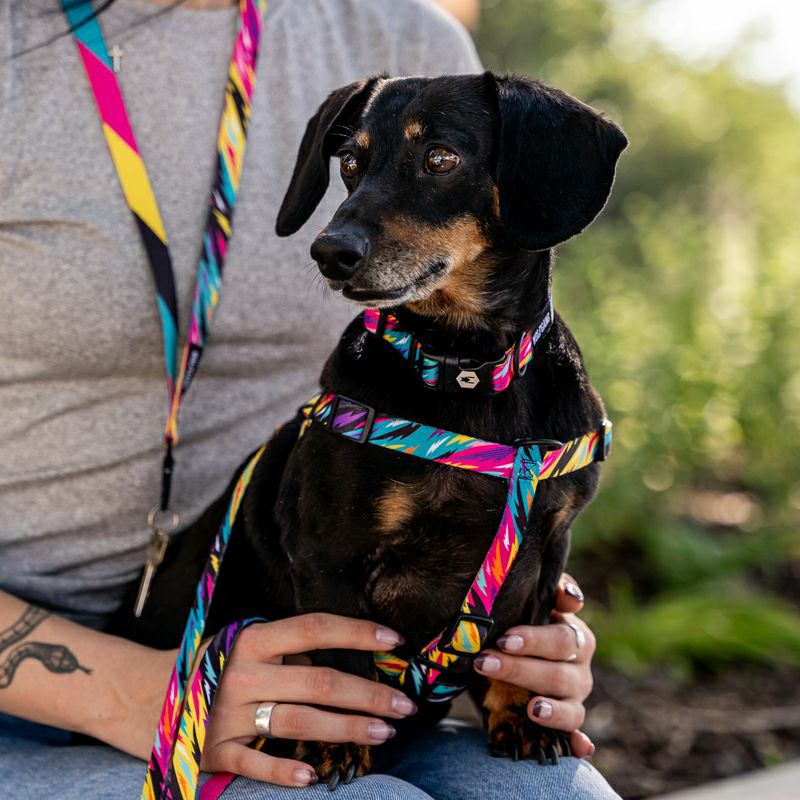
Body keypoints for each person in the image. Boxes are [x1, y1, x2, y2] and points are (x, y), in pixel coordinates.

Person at [0, 0, 620, 797]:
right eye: (354, 168)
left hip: (332, 669)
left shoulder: (405, 39)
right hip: (40, 697)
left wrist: (515, 645)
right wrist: (135, 691)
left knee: (554, 793)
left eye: (434, 162)